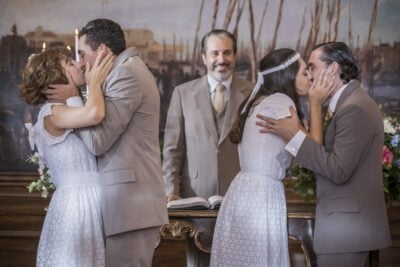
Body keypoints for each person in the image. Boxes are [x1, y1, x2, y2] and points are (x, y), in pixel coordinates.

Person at [256, 42, 391, 267]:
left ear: (333, 69)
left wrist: (295, 136)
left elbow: (338, 171)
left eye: (312, 67)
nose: (309, 75)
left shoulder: (354, 108)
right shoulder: (346, 103)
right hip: (343, 227)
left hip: (347, 229)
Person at [50, 19, 169, 266]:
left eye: (82, 54)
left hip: (130, 206)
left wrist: (77, 98)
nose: (81, 62)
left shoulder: (125, 74)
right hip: (126, 206)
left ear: (102, 50)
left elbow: (97, 142)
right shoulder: (125, 69)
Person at [210, 48, 333, 266]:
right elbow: (314, 151)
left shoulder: (262, 100)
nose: (310, 77)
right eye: (305, 72)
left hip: (246, 193)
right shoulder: (278, 102)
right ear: (288, 75)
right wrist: (315, 104)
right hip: (260, 197)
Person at [161, 29, 253, 267]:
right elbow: (173, 148)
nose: (221, 59)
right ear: (204, 57)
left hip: (239, 195)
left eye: (227, 53)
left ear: (235, 55)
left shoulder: (252, 92)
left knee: (239, 259)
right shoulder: (183, 93)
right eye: (215, 53)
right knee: (199, 262)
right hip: (196, 196)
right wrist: (171, 189)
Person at [20, 47, 113, 266]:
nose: (79, 64)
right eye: (70, 63)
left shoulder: (68, 107)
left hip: (92, 201)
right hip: (76, 206)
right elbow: (95, 114)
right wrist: (95, 83)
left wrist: (75, 93)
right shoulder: (51, 113)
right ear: (56, 75)